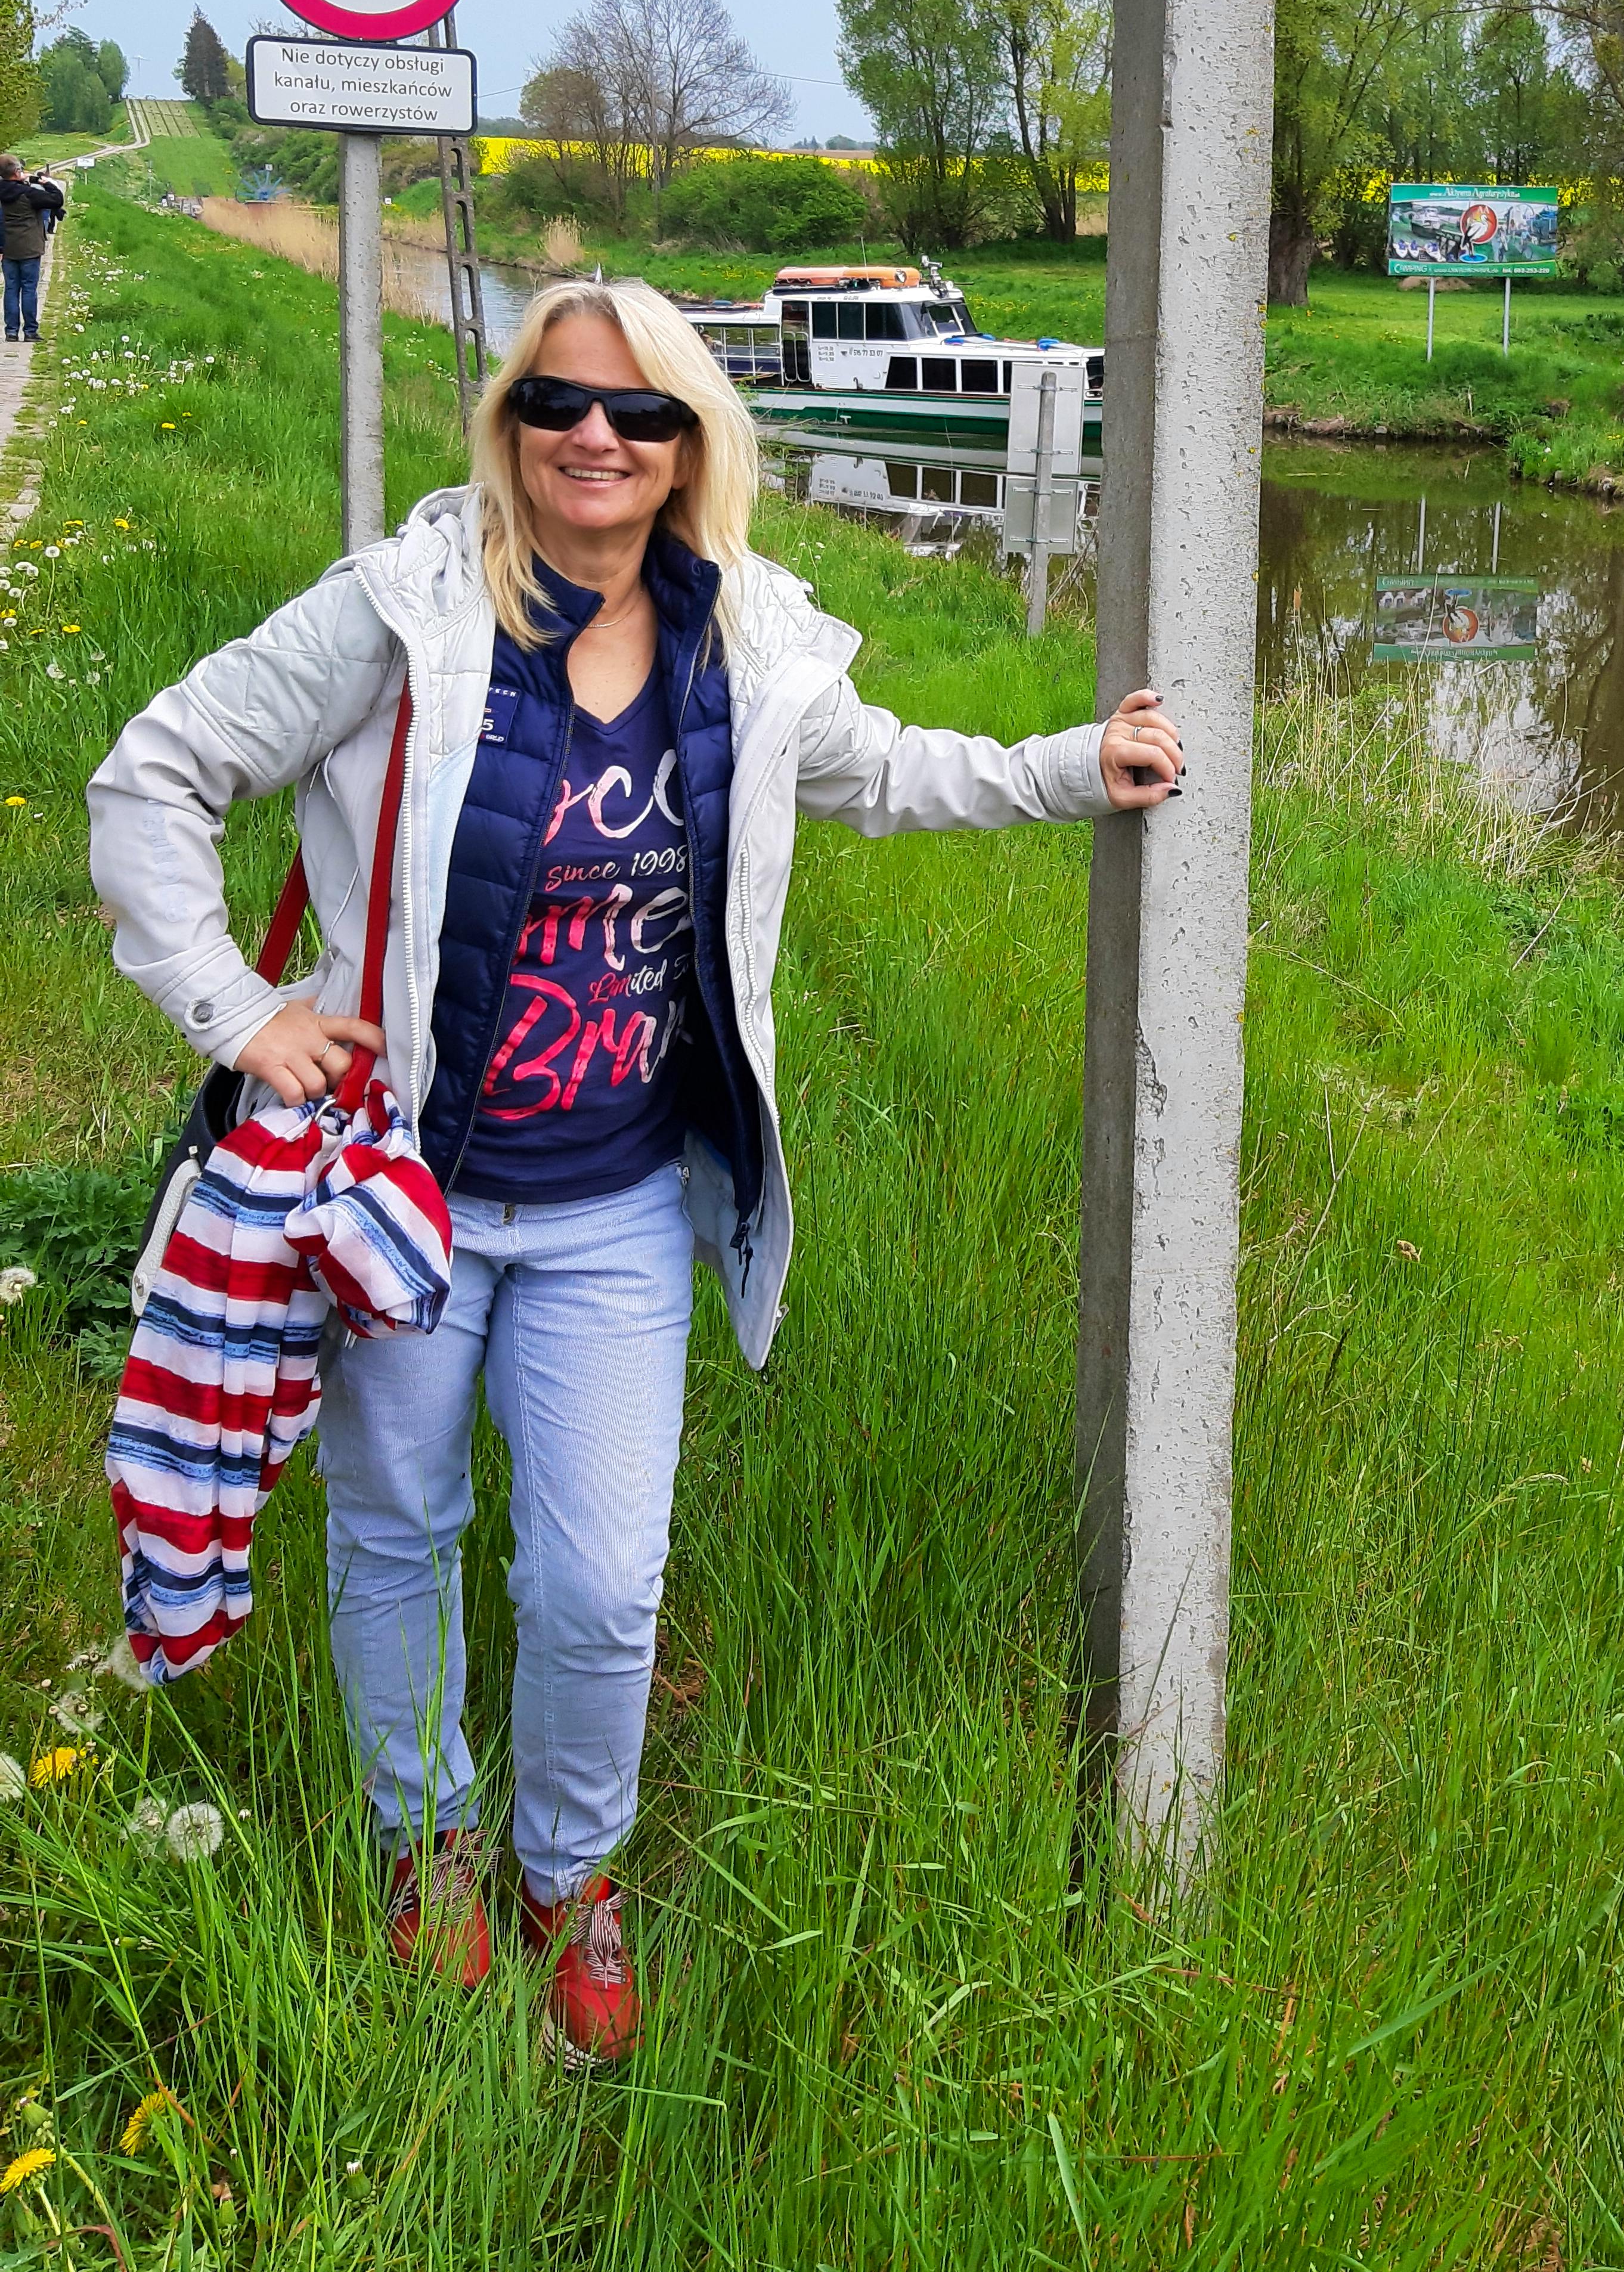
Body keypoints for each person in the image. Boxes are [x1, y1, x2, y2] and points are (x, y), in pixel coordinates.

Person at [89, 278, 1180, 2062]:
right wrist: (238, 1011)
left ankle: (567, 1872)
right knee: (400, 1532)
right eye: (559, 400)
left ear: (693, 445)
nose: (597, 435)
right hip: (398, 1194)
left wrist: (1085, 766)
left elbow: (893, 772)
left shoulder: (744, 642)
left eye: (642, 411)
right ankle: (422, 1845)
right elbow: (155, 774)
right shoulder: (400, 615)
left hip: (608, 1216)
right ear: (512, 416)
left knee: (600, 1583)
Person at [0, 154, 66, 340]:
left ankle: (11, 332)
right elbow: (56, 199)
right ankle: (30, 331)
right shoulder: (29, 194)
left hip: (9, 247)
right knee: (29, 289)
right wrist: (44, 181)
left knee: (11, 289)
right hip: (30, 246)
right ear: (17, 171)